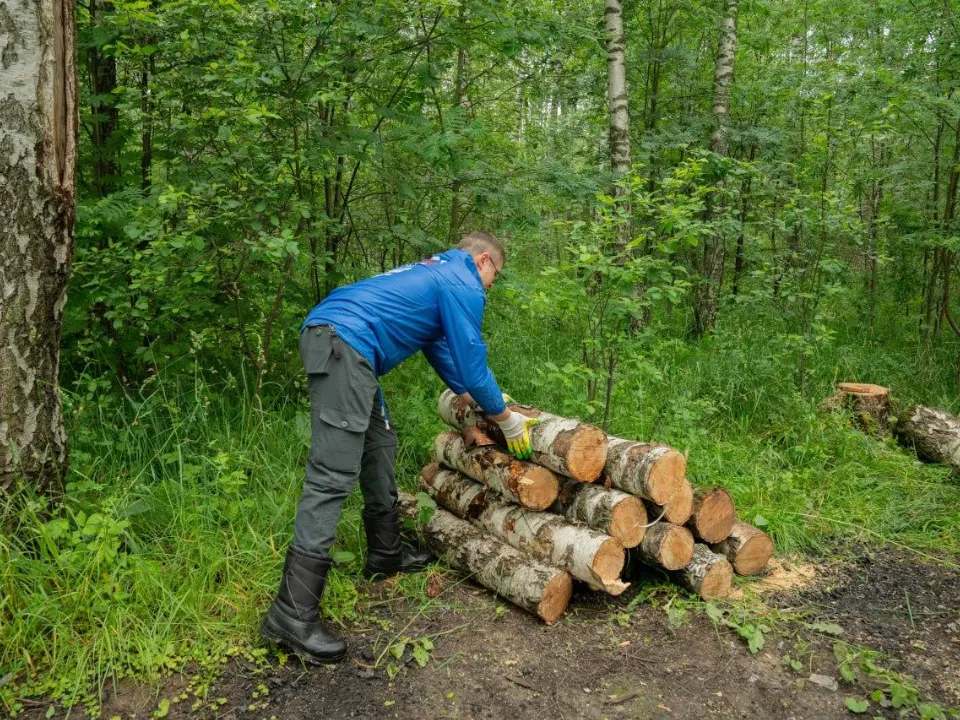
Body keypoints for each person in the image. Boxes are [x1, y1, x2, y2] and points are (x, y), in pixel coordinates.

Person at [260, 231, 540, 664]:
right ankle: (291, 613)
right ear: (483, 260)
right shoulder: (462, 280)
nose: (491, 286)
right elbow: (471, 361)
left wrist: (480, 399)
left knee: (379, 444)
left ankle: (385, 554)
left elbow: (444, 353)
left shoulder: (437, 275)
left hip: (347, 345)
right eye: (495, 276)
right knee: (333, 474)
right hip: (343, 344)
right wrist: (505, 418)